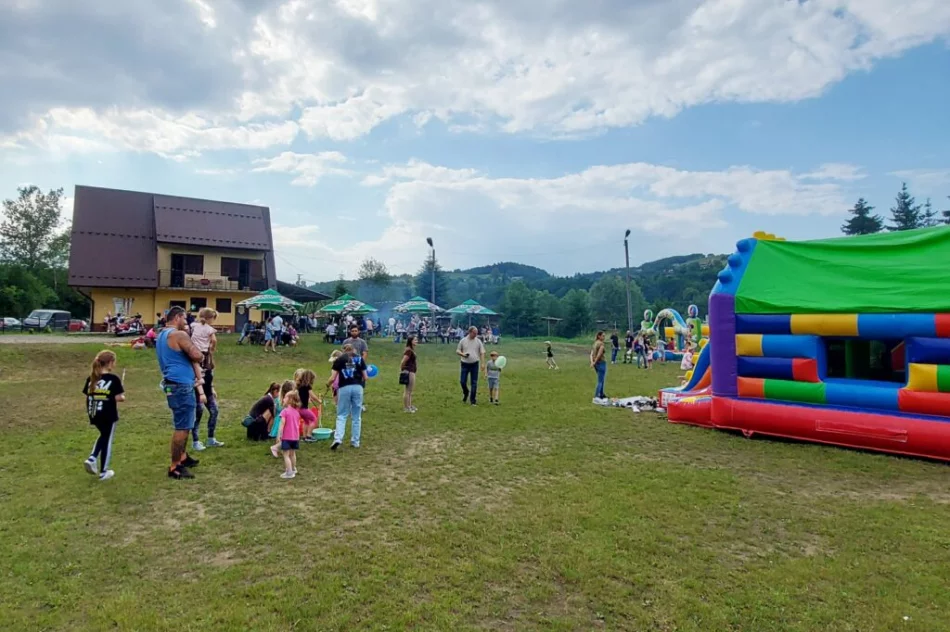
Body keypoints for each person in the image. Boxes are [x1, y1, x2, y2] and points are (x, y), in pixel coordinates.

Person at [156, 306, 205, 479]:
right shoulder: (179, 335)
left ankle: (183, 457)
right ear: (177, 317)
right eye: (185, 318)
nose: (186, 322)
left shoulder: (161, 335)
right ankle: (175, 466)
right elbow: (197, 355)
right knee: (182, 427)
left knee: (186, 422)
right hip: (181, 385)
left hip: (171, 384)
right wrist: (200, 354)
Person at [82, 350, 125, 481]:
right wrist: (121, 395)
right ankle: (103, 471)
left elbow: (89, 394)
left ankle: (92, 458)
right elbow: (119, 398)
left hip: (94, 413)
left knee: (103, 435)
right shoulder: (113, 379)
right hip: (108, 414)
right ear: (110, 363)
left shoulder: (92, 378)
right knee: (107, 440)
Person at [327, 343, 366, 450]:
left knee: (342, 414)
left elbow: (333, 377)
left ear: (343, 350)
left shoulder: (339, 359)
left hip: (344, 387)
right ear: (353, 350)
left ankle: (338, 439)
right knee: (356, 416)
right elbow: (365, 376)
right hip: (358, 387)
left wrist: (328, 384)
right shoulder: (359, 359)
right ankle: (355, 441)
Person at [192, 360, 224, 451]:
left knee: (214, 411)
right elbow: (196, 379)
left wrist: (212, 388)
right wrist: (201, 393)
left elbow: (209, 377)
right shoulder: (194, 363)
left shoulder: (208, 361)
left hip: (208, 392)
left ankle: (211, 439)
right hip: (197, 393)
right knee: (198, 414)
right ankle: (195, 442)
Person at [189, 307, 218, 405]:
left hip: (193, 351)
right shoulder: (210, 329)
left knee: (196, 368)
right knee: (204, 370)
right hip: (203, 353)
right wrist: (212, 347)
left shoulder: (194, 325)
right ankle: (202, 391)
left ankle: (201, 389)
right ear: (210, 318)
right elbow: (214, 340)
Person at [456, 326, 486, 405]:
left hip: (474, 364)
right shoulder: (463, 341)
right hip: (465, 363)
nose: (476, 335)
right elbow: (458, 350)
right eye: (474, 333)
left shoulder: (478, 341)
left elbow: (482, 352)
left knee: (474, 382)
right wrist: (463, 354)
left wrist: (483, 363)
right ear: (470, 332)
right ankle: (466, 392)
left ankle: (473, 400)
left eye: (476, 333)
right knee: (462, 381)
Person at [278, 390, 302, 479]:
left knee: (286, 455)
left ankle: (289, 472)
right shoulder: (297, 412)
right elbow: (298, 425)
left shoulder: (285, 411)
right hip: (295, 437)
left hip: (287, 437)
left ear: (289, 400)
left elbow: (282, 424)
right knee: (293, 454)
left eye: (285, 397)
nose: (283, 399)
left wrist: (280, 434)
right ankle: (293, 468)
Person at [270, 380, 295, 459]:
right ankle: (276, 448)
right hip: (284, 420)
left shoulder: (279, 399)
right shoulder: (288, 400)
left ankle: (279, 449)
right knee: (284, 436)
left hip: (279, 419)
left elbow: (276, 410)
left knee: (280, 436)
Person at [294, 368, 320, 442]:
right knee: (314, 419)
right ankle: (309, 436)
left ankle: (304, 437)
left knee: (306, 421)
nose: (313, 381)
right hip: (303, 408)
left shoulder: (299, 385)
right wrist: (319, 400)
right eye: (312, 379)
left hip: (298, 408)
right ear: (309, 379)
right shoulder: (307, 386)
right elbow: (312, 395)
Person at [400, 335, 418, 413]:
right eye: (415, 340)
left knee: (410, 390)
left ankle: (410, 405)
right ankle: (406, 407)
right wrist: (403, 369)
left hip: (412, 370)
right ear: (411, 341)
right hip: (409, 371)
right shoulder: (409, 351)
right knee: (407, 390)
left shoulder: (411, 350)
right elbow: (403, 361)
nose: (416, 341)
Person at [591, 330, 608, 401]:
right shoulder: (601, 344)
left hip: (596, 364)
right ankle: (597, 396)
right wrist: (595, 362)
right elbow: (599, 354)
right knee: (600, 381)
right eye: (603, 336)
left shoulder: (595, 343)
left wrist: (592, 362)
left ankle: (601, 393)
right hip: (601, 362)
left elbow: (591, 354)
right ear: (599, 336)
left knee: (601, 379)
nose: (604, 337)